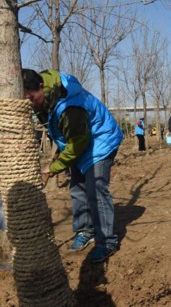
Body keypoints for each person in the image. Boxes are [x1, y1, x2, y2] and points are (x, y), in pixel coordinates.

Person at [22, 69, 123, 263]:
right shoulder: (48, 98)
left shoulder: (70, 106)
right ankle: (85, 231)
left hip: (101, 141)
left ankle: (107, 241)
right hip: (81, 143)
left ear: (41, 87)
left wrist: (52, 168)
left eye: (32, 98)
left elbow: (78, 143)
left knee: (95, 190)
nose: (31, 105)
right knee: (77, 188)